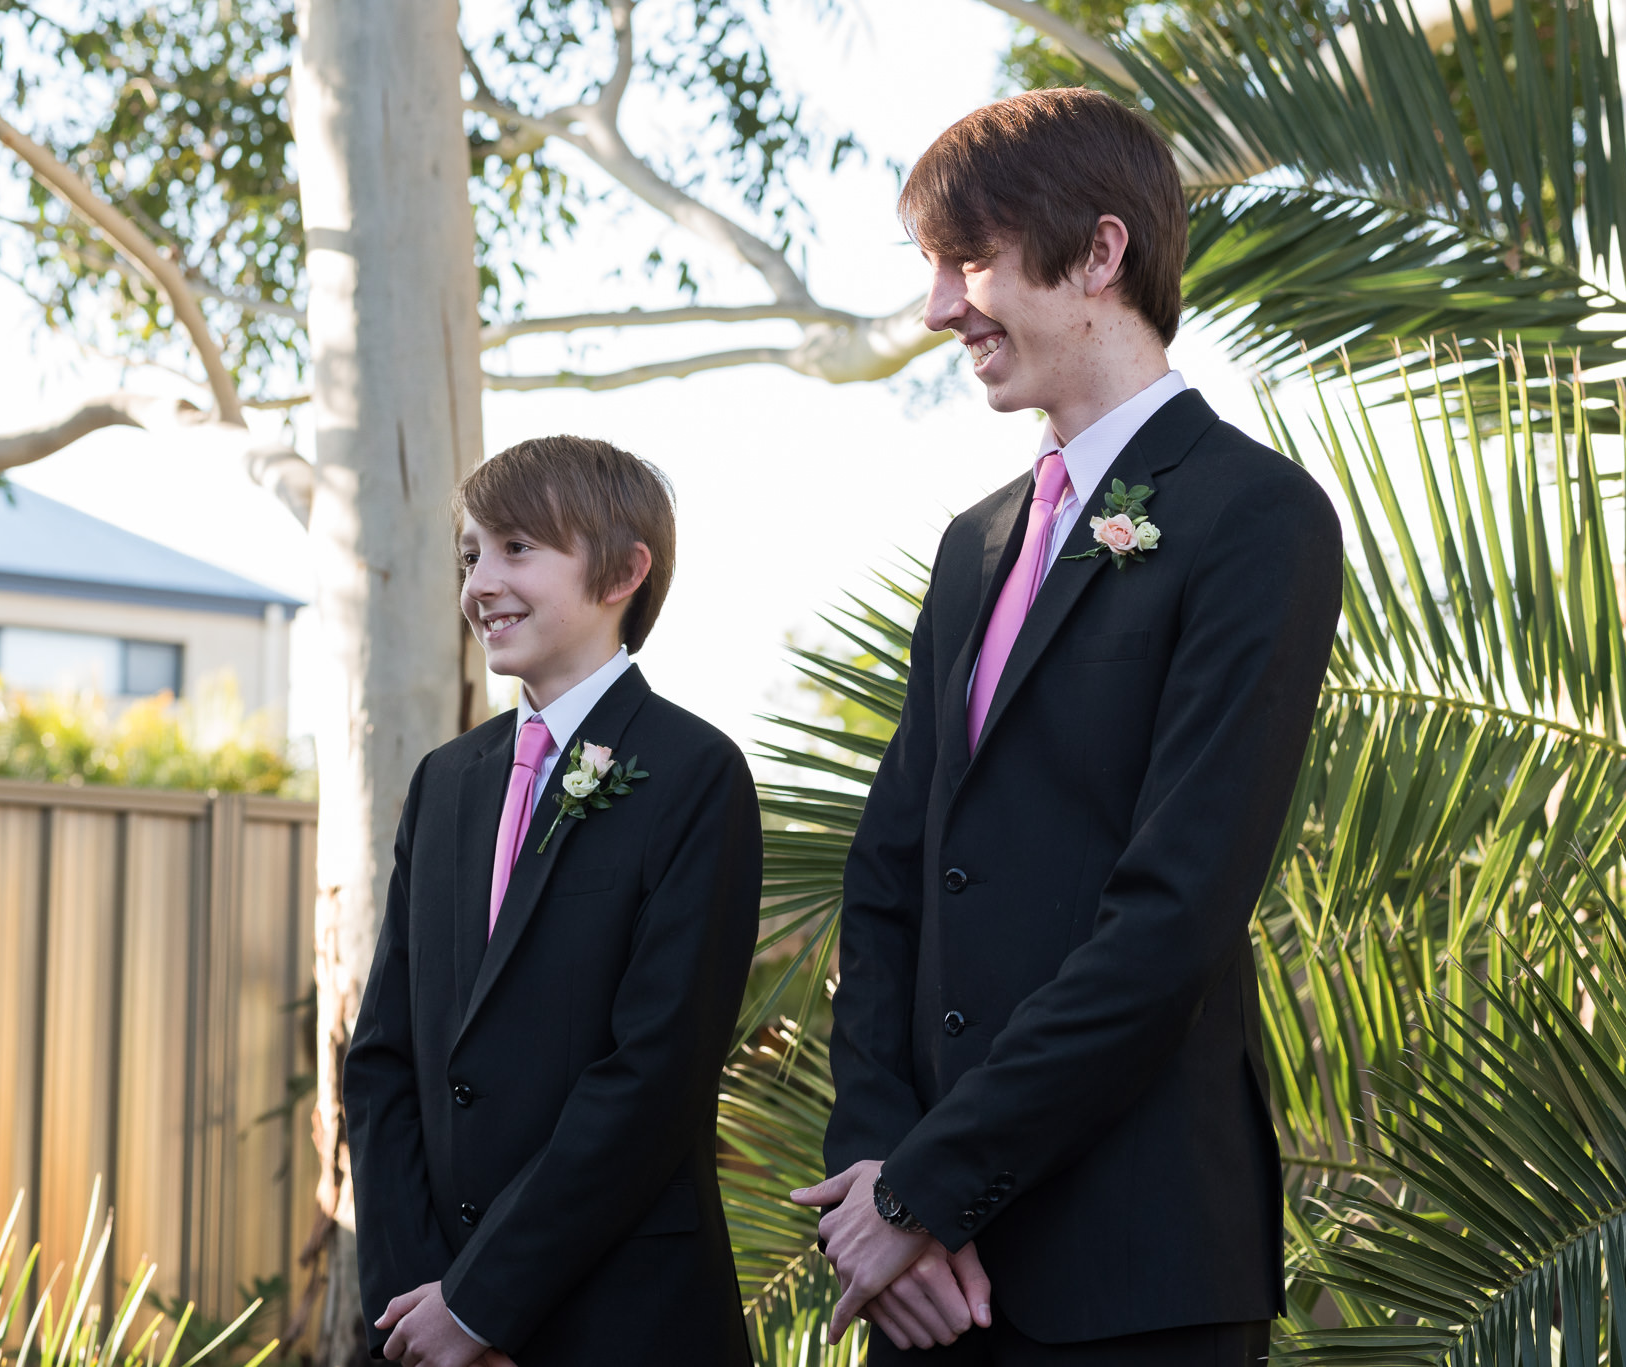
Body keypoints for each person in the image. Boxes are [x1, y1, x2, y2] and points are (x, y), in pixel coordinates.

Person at [792, 88, 1344, 1364]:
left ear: (1100, 254)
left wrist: (927, 1190)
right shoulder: (972, 544)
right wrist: (876, 1175)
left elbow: (1171, 914)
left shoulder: (1255, 519)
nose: (940, 309)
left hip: (1133, 1273)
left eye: (968, 260)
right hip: (927, 1292)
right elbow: (885, 881)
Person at [345, 436, 761, 1367]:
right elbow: (384, 1060)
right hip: (435, 1315)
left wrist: (486, 1301)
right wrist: (425, 1305)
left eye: (517, 548)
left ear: (624, 569)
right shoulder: (444, 783)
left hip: (623, 1319)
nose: (480, 582)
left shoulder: (697, 776)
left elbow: (654, 1075)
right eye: (470, 554)